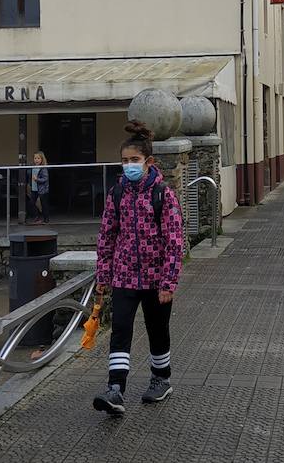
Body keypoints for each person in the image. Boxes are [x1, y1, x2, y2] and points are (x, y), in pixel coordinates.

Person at [92, 121, 183, 416]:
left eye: (135, 160)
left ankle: (161, 379)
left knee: (157, 330)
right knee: (120, 329)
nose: (129, 165)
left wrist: (168, 282)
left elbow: (174, 241)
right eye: (125, 160)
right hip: (124, 277)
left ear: (149, 162)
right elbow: (107, 236)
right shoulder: (117, 194)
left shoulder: (163, 195)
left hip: (157, 280)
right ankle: (115, 389)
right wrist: (104, 276)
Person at [26, 151, 50, 225]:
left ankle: (46, 219)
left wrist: (37, 179)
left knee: (44, 205)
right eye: (35, 158)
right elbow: (28, 175)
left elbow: (45, 179)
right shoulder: (31, 167)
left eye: (38, 158)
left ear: (42, 159)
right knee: (31, 203)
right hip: (34, 188)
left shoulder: (43, 168)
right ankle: (37, 216)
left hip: (42, 189)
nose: (36, 160)